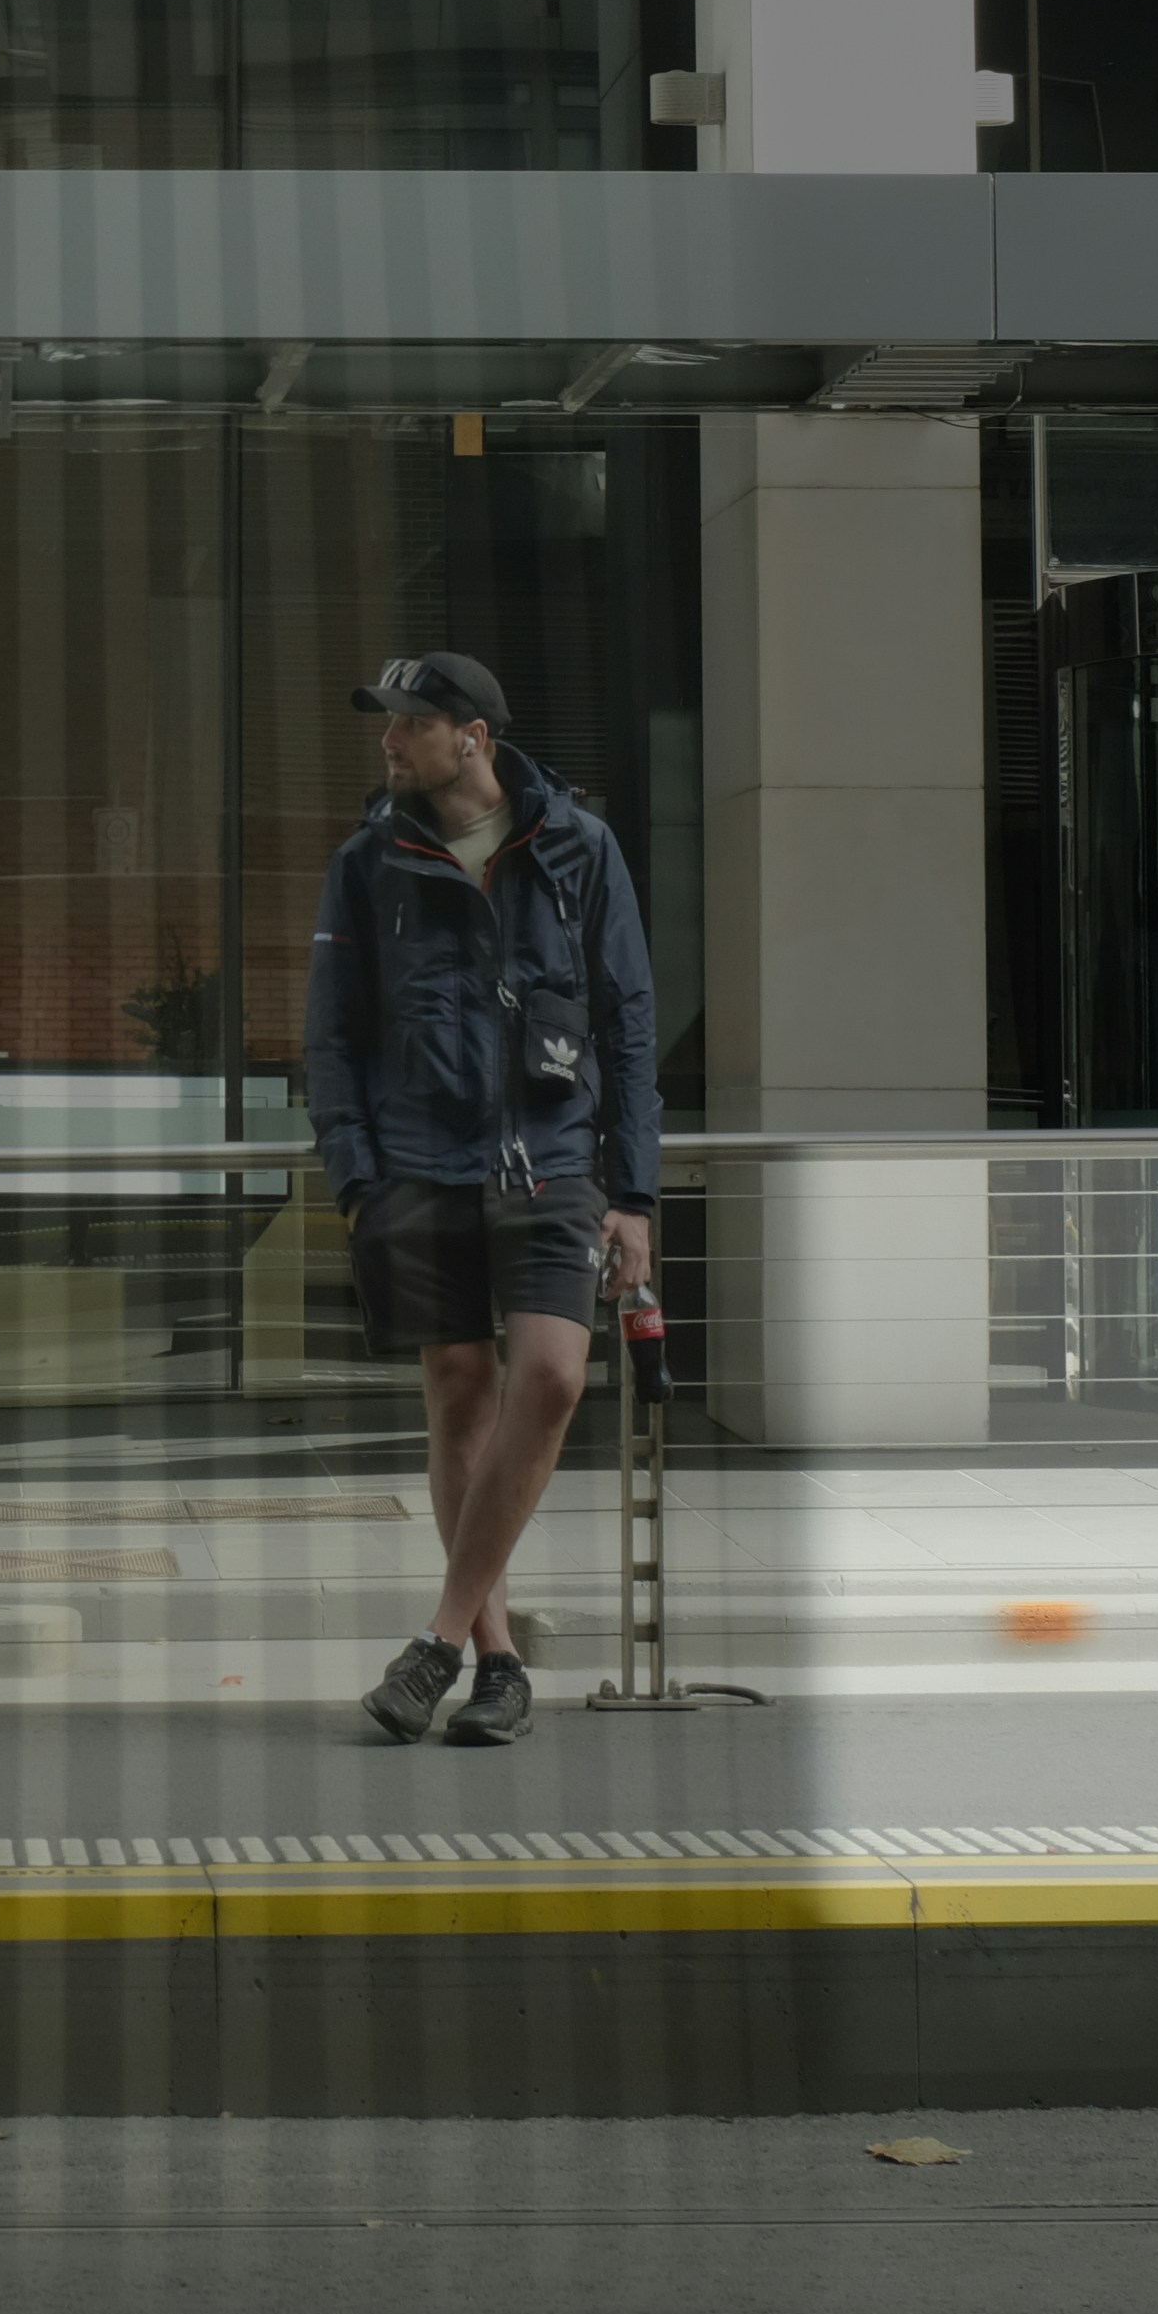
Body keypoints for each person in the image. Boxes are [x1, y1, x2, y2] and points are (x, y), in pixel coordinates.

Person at [298, 647, 662, 1746]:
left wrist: (632, 1192)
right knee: (460, 1393)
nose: (388, 740)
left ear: (473, 736)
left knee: (549, 1379)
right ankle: (498, 1663)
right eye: (387, 724)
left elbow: (629, 1023)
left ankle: (439, 1638)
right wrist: (358, 1175)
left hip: (551, 1162)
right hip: (416, 1166)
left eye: (408, 723)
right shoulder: (369, 861)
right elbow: (331, 1035)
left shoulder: (579, 850)